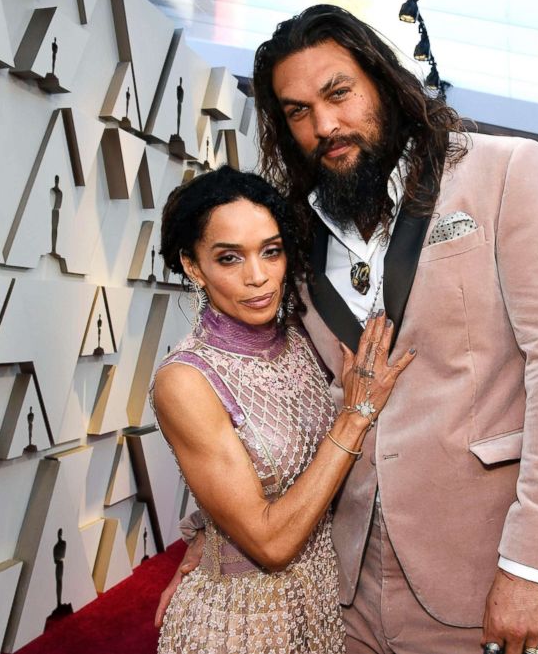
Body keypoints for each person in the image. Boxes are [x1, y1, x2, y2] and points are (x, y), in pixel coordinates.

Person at [251, 4, 538, 654]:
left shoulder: (506, 172)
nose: (324, 124)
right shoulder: (300, 238)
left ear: (385, 82)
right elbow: (299, 400)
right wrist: (209, 532)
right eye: (297, 111)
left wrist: (536, 565)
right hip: (344, 579)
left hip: (481, 568)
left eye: (338, 92)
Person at [150, 166, 415, 653]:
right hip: (240, 624)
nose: (258, 277)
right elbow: (271, 545)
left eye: (270, 251)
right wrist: (353, 419)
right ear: (193, 265)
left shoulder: (299, 336)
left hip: (319, 606)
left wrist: (203, 531)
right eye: (229, 258)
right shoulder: (185, 381)